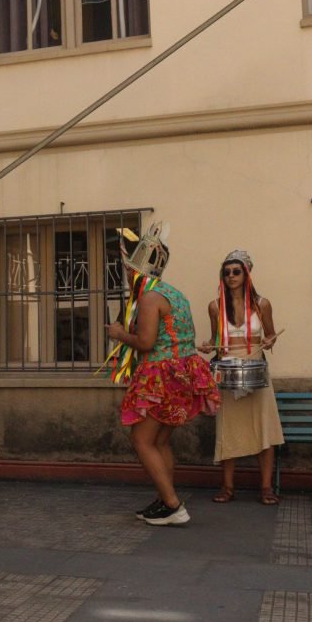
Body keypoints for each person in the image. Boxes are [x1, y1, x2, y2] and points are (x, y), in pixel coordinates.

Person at [105, 222, 220, 526]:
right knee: (160, 442)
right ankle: (164, 499)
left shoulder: (148, 299)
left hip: (162, 376)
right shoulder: (173, 294)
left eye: (128, 271)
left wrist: (118, 333)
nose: (127, 276)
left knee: (141, 440)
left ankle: (172, 505)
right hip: (183, 372)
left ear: (134, 272)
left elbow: (145, 342)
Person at [198, 250, 284, 505]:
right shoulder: (215, 306)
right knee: (228, 430)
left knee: (264, 429)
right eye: (226, 273)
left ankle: (266, 488)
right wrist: (208, 347)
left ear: (246, 274)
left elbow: (270, 336)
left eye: (236, 272)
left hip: (256, 369)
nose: (231, 276)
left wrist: (270, 341)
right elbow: (217, 342)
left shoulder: (262, 304)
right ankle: (227, 487)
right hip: (228, 371)